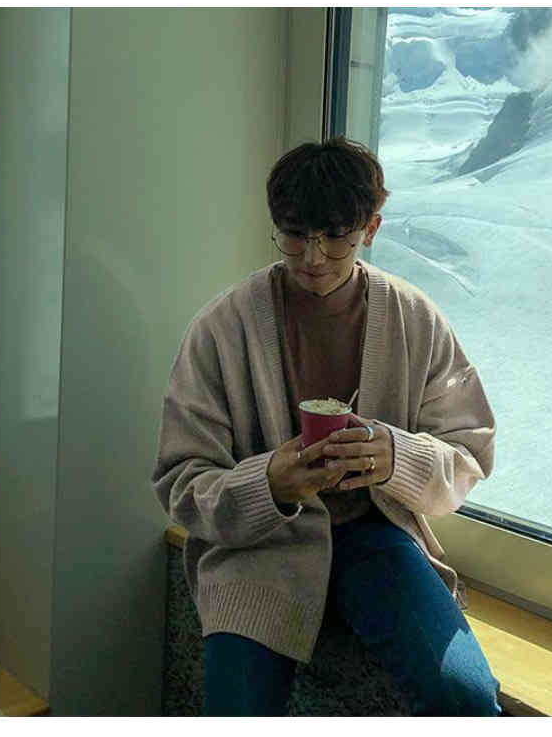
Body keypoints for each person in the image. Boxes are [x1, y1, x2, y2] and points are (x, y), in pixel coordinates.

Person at [151, 136, 502, 716]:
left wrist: (396, 458)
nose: (314, 257)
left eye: (336, 236)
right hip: (258, 549)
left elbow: (469, 453)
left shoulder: (414, 318)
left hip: (376, 539)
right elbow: (180, 482)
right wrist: (270, 485)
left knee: (466, 697)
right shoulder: (223, 327)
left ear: (371, 228)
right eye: (295, 235)